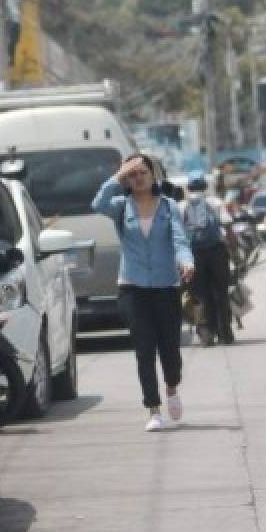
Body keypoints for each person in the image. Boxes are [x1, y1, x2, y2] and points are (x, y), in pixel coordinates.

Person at [92, 154, 195, 432]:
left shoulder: (169, 207)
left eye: (142, 173)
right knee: (144, 350)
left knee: (170, 351)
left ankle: (171, 387)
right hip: (132, 288)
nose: (138, 178)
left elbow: (180, 240)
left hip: (166, 287)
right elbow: (97, 203)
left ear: (153, 176)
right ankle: (153, 408)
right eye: (132, 174)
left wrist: (187, 262)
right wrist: (116, 176)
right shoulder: (120, 206)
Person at [183, 175, 235, 346]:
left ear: (188, 188)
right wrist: (233, 248)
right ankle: (225, 332)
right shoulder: (216, 202)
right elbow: (227, 225)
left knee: (198, 295)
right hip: (216, 252)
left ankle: (206, 332)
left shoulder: (181, 206)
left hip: (193, 254)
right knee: (221, 292)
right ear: (205, 187)